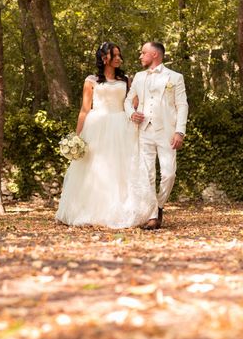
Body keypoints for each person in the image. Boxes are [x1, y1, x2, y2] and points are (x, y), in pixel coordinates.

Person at [55, 42, 157, 228]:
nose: (119, 58)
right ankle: (86, 211)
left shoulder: (126, 79)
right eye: (115, 55)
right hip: (97, 126)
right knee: (94, 169)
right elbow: (85, 110)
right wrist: (77, 137)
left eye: (119, 55)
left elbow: (133, 104)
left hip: (121, 126)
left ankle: (123, 211)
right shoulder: (91, 80)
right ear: (104, 58)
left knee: (121, 169)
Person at [124, 42, 188, 230]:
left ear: (154, 55)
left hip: (167, 132)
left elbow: (182, 105)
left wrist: (180, 131)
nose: (140, 56)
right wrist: (131, 113)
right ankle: (153, 216)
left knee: (169, 174)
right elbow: (128, 100)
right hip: (144, 131)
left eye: (143, 53)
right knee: (148, 175)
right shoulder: (139, 76)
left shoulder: (175, 77)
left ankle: (159, 205)